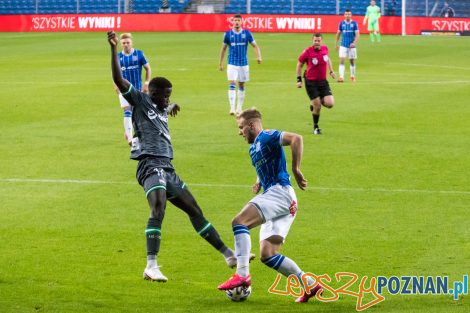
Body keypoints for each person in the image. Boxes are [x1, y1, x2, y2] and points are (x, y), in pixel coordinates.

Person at [107, 30, 240, 282]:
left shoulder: (161, 106)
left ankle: (228, 254)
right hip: (149, 164)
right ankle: (151, 265)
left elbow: (164, 106)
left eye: (170, 94)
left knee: (194, 209)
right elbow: (118, 78)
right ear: (153, 93)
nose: (167, 98)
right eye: (164, 94)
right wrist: (113, 48)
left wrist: (170, 105)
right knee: (158, 208)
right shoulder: (141, 101)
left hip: (167, 167)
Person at [217, 108, 323, 303]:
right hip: (280, 199)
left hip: (280, 193)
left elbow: (296, 138)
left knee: (239, 222)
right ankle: (309, 284)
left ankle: (242, 275)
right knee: (268, 255)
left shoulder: (267, 136)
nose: (239, 132)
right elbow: (266, 162)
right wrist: (259, 180)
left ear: (252, 125)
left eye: (241, 128)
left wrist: (296, 170)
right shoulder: (253, 147)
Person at [219, 14, 262, 116]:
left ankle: (239, 108)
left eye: (238, 20)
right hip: (232, 63)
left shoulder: (247, 33)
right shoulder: (228, 34)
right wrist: (220, 63)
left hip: (244, 64)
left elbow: (255, 46)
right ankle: (232, 108)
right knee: (232, 83)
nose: (237, 22)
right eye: (235, 20)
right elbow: (223, 49)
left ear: (241, 22)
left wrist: (259, 56)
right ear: (232, 22)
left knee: (241, 84)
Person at [114, 33, 151, 146]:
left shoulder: (139, 54)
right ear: (121, 44)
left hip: (138, 89)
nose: (126, 45)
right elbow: (114, 74)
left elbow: (148, 69)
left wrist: (146, 83)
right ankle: (130, 139)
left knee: (138, 112)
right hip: (124, 89)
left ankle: (132, 131)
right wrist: (115, 86)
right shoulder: (118, 57)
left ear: (132, 42)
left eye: (128, 42)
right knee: (127, 111)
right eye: (123, 43)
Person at [296, 33, 336, 135]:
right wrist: (299, 80)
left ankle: (314, 103)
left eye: (318, 41)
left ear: (321, 41)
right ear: (312, 41)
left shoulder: (325, 49)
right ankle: (316, 127)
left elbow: (328, 59)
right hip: (311, 82)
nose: (317, 42)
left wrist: (331, 71)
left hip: (323, 82)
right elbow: (299, 64)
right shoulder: (307, 52)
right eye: (315, 40)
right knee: (318, 105)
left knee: (330, 104)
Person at [335, 9, 360, 83]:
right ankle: (341, 77)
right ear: (344, 15)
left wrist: (354, 43)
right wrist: (336, 44)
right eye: (346, 14)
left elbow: (357, 35)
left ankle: (352, 76)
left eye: (349, 14)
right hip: (343, 45)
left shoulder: (354, 24)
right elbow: (338, 34)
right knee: (341, 60)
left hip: (352, 46)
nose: (347, 15)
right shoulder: (341, 23)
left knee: (352, 61)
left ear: (351, 15)